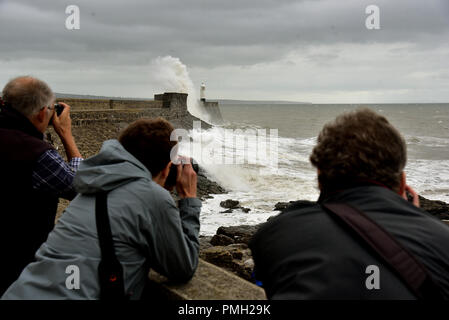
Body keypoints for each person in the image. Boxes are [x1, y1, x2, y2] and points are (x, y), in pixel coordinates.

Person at [250, 108, 449, 300]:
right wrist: (412, 221)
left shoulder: (277, 233)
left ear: (320, 177)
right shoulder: (442, 240)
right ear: (403, 182)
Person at [2, 117, 201, 300]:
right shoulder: (153, 197)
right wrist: (189, 198)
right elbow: (184, 266)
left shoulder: (90, 187)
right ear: (168, 167)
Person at [0, 76, 83, 295]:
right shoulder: (37, 154)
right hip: (17, 268)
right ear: (40, 113)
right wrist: (66, 134)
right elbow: (81, 187)